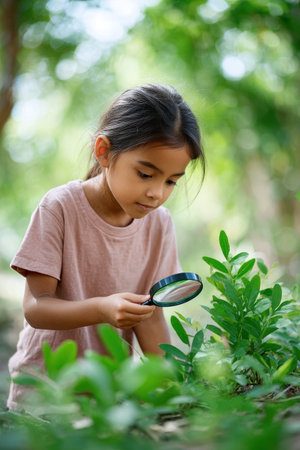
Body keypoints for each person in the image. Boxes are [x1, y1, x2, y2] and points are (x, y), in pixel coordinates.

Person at [7, 84, 205, 410]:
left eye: (171, 181)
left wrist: (174, 391)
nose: (157, 192)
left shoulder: (159, 224)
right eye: (145, 173)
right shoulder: (60, 207)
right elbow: (36, 308)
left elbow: (151, 318)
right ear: (104, 151)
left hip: (109, 401)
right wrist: (102, 309)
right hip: (45, 395)